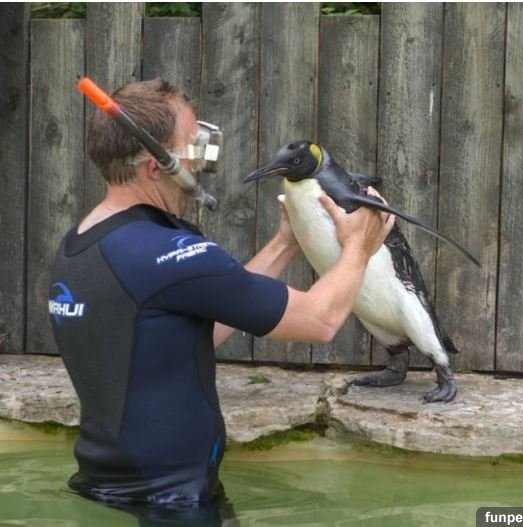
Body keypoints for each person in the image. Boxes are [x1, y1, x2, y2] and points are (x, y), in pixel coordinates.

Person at [49, 79, 394, 512]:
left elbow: (186, 338)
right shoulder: (167, 253)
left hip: (109, 484)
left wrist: (285, 242)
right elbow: (319, 320)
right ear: (156, 167)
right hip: (172, 499)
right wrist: (359, 246)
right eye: (193, 146)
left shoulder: (83, 242)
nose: (200, 161)